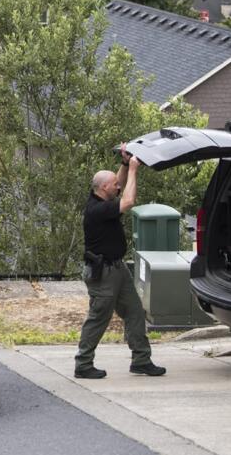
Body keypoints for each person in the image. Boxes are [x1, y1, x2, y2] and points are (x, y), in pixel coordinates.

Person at [74, 147, 166, 379]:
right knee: (98, 318)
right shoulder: (97, 210)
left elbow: (118, 187)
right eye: (114, 184)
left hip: (117, 268)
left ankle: (141, 360)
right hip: (102, 273)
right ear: (104, 188)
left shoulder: (100, 196)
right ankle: (83, 364)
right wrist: (134, 169)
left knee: (135, 312)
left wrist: (125, 165)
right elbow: (128, 201)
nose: (118, 185)